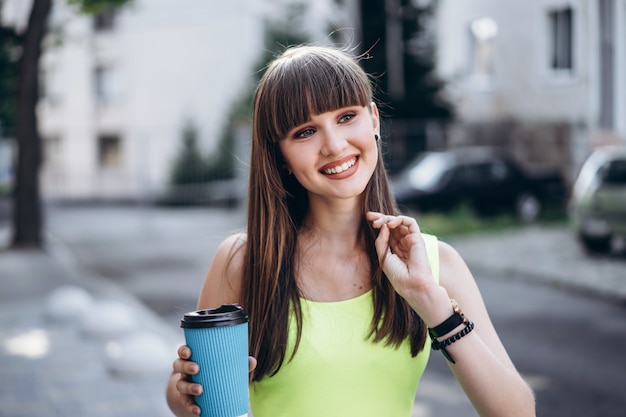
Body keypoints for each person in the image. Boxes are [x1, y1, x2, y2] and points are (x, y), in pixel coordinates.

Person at [166, 44, 535, 417]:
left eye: (346, 117)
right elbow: (194, 400)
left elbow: (517, 412)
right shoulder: (243, 261)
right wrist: (184, 391)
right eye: (305, 131)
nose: (334, 145)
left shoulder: (437, 264)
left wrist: (429, 298)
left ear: (373, 120)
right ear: (280, 157)